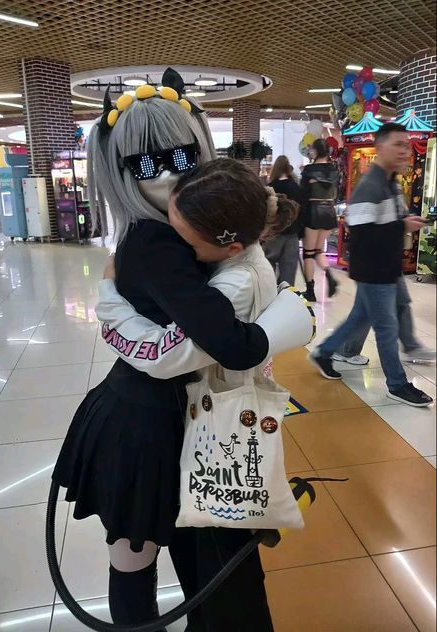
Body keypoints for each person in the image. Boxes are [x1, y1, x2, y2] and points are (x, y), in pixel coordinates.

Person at [51, 71, 313, 631]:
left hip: (171, 416)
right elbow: (204, 345)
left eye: (181, 156)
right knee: (171, 562)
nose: (168, 173)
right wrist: (278, 329)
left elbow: (191, 341)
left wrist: (111, 308)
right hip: (150, 423)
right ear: (120, 172)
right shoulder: (160, 241)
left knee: (174, 563)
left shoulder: (193, 228)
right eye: (147, 164)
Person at [309, 123, 433, 407]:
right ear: (380, 147)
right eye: (398, 144)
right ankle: (398, 384)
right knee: (386, 328)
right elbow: (362, 234)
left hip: (387, 267)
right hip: (375, 271)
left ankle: (324, 352)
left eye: (406, 144)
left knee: (364, 317)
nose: (405, 151)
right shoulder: (370, 185)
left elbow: (384, 223)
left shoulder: (390, 182)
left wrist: (403, 222)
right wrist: (402, 224)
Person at [332, 275, 435, 365]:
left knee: (400, 301)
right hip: (372, 262)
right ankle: (347, 349)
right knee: (371, 307)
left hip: (389, 260)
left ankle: (411, 347)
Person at [301, 138, 339, 301]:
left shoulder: (309, 169)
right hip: (329, 211)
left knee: (308, 253)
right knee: (318, 251)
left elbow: (302, 194)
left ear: (315, 151)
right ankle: (329, 274)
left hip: (313, 210)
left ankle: (310, 291)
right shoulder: (334, 170)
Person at [262, 155, 303, 285]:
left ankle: (269, 298)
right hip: (292, 234)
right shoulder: (296, 188)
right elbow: (303, 212)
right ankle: (286, 299)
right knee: (288, 273)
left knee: (268, 267)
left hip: (273, 233)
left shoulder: (270, 188)